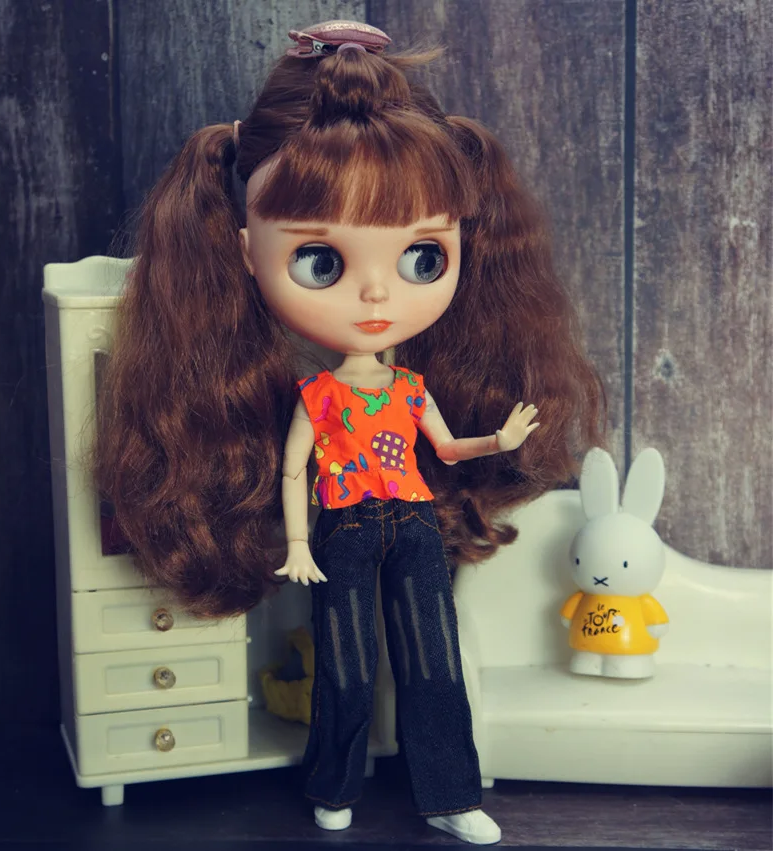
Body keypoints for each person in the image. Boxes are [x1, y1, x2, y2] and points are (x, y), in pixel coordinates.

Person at [94, 19, 603, 845]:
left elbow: (447, 448)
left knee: (433, 658)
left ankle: (450, 792)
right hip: (343, 529)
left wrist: (500, 439)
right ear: (246, 253)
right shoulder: (319, 394)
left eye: (422, 258)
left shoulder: (410, 386)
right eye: (321, 263)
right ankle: (334, 785)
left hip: (414, 523)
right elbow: (295, 469)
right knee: (347, 662)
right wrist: (299, 542)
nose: (375, 297)